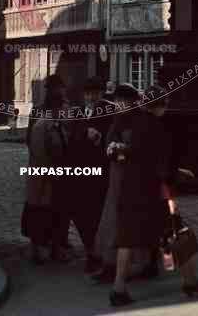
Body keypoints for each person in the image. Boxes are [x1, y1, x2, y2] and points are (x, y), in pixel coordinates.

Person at [109, 84, 198, 306]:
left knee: (127, 239)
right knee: (177, 234)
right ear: (160, 106)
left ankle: (118, 288)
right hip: (155, 193)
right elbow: (160, 164)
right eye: (164, 105)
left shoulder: (128, 123)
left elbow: (128, 153)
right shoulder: (156, 127)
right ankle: (190, 281)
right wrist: (175, 176)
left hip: (130, 189)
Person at [92, 83, 140, 283]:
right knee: (112, 219)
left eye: (122, 101)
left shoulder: (140, 120)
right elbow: (109, 140)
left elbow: (142, 147)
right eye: (117, 100)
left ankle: (134, 266)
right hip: (116, 175)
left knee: (129, 222)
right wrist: (110, 147)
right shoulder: (117, 119)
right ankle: (109, 264)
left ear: (131, 101)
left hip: (133, 177)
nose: (118, 104)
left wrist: (125, 149)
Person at [65, 76, 115, 273]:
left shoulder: (109, 110)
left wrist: (99, 136)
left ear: (102, 93)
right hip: (80, 174)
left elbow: (114, 134)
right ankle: (90, 251)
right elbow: (72, 137)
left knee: (97, 214)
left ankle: (97, 254)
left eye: (94, 92)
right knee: (81, 214)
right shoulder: (77, 112)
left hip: (101, 172)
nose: (90, 96)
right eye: (87, 93)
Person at [21, 75, 70, 264]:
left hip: (46, 170)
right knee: (43, 210)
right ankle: (45, 249)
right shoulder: (44, 116)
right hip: (46, 170)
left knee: (47, 210)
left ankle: (52, 246)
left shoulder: (50, 112)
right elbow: (35, 143)